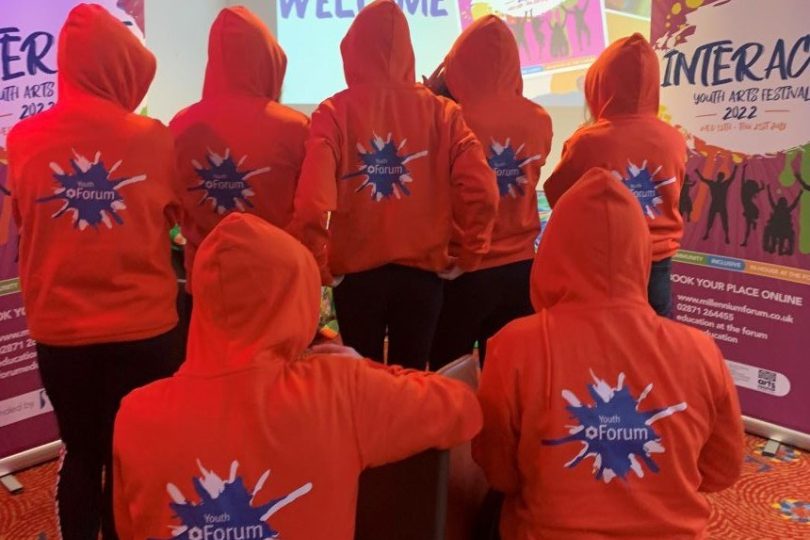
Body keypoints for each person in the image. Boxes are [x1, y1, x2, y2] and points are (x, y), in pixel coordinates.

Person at [112, 213, 483, 539]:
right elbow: (462, 408)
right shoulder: (340, 388)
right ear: (299, 297)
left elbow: (130, 528)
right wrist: (364, 366)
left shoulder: (135, 414)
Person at [473, 168, 744, 539]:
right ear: (641, 252)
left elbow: (499, 472)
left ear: (552, 250)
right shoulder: (701, 350)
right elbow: (721, 470)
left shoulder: (513, 345)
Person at [6, 5, 182, 538]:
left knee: (82, 453)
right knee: (138, 457)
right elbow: (180, 221)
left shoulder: (23, 139)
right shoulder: (154, 138)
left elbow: (21, 224)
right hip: (146, 330)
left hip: (62, 332)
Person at [289, 0, 498, 369]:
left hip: (355, 277)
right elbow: (482, 191)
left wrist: (320, 265)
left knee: (361, 379)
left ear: (351, 51)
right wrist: (469, 253)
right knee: (413, 379)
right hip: (424, 275)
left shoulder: (333, 113)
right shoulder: (443, 113)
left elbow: (310, 204)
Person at [427, 16, 553, 368]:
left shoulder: (450, 117)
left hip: (462, 266)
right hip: (521, 267)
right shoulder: (539, 118)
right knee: (508, 373)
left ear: (458, 63)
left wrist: (433, 93)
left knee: (449, 373)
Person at [544, 33, 686, 317]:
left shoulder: (587, 141)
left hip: (604, 262)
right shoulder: (674, 138)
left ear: (600, 85)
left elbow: (558, 197)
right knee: (656, 336)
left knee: (603, 337)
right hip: (658, 262)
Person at [170, 7, 308, 295]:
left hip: (207, 282)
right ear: (269, 62)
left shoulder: (180, 125)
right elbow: (311, 212)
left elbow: (171, 207)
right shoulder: (296, 128)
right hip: (277, 283)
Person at [695, 165, 738, 244]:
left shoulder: (720, 184)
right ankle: (708, 233)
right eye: (720, 176)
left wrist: (735, 169)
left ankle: (726, 236)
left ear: (720, 177)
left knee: (723, 221)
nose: (720, 177)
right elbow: (703, 179)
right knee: (712, 220)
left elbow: (732, 178)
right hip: (716, 205)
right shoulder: (717, 184)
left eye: (721, 176)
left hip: (720, 205)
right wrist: (697, 172)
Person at [740, 165, 765, 247]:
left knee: (748, 225)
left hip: (750, 208)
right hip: (750, 208)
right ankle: (753, 223)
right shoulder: (746, 190)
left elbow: (742, 179)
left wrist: (743, 170)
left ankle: (745, 241)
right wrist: (743, 169)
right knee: (748, 224)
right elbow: (742, 179)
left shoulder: (744, 189)